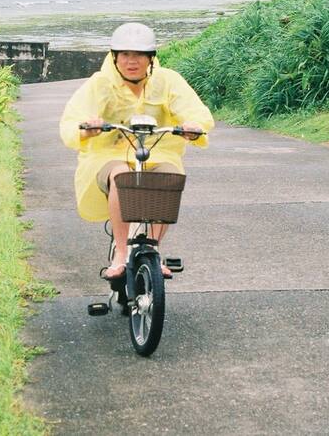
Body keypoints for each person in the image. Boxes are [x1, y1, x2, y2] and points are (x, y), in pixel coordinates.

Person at [59, 22, 214, 279]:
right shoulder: (99, 84)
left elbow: (196, 113)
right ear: (115, 57)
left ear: (151, 58)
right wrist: (87, 128)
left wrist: (193, 127)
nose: (132, 61)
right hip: (106, 156)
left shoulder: (168, 81)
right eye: (125, 55)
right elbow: (71, 121)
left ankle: (153, 248)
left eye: (140, 55)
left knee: (170, 177)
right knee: (122, 177)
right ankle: (121, 253)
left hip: (158, 153)